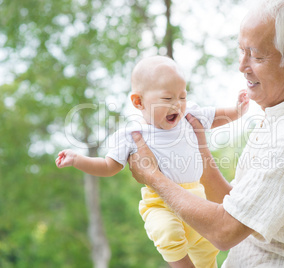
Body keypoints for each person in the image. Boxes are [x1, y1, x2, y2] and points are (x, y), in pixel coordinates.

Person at [128, 0, 284, 267]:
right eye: (241, 51)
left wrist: (153, 177)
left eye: (256, 56)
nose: (242, 66)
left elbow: (225, 230)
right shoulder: (281, 119)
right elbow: (239, 208)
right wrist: (200, 148)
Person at [55, 56, 250, 268]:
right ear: (139, 102)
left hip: (196, 197)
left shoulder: (189, 116)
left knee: (207, 247)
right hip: (159, 203)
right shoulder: (132, 134)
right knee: (167, 233)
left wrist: (237, 110)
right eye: (167, 99)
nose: (177, 104)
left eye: (182, 97)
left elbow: (216, 117)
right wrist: (78, 159)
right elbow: (108, 166)